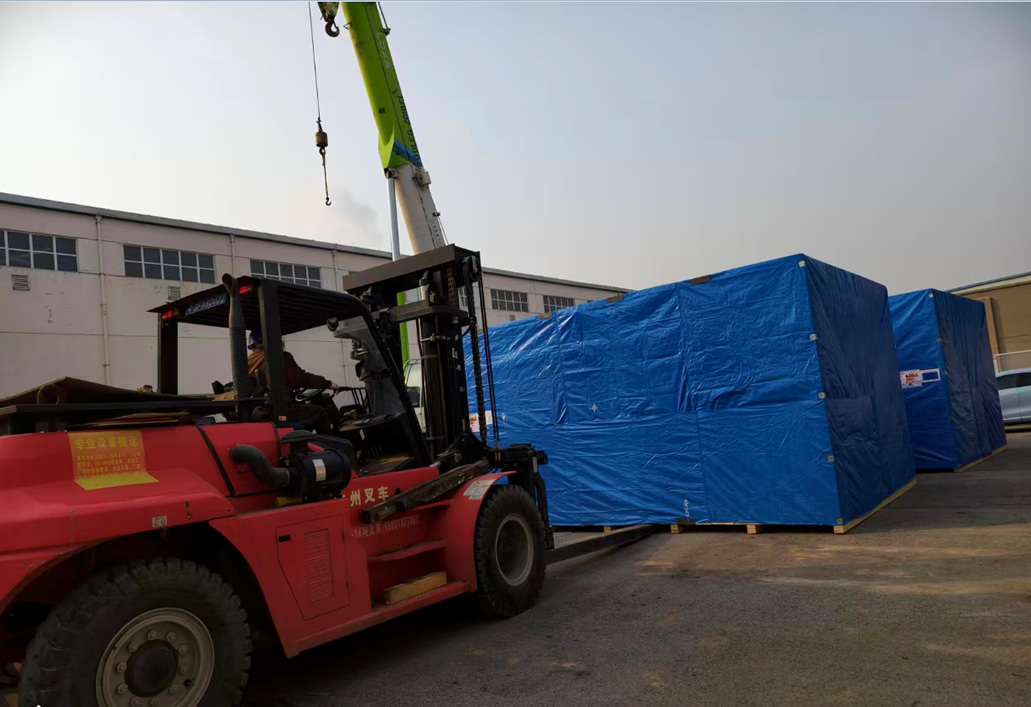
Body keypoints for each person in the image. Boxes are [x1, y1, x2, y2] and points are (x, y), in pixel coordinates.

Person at [247, 331, 339, 434]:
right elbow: (299, 379)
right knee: (320, 412)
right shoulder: (279, 357)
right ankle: (330, 443)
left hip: (264, 411)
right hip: (281, 410)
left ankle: (308, 438)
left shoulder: (248, 363)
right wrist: (327, 384)